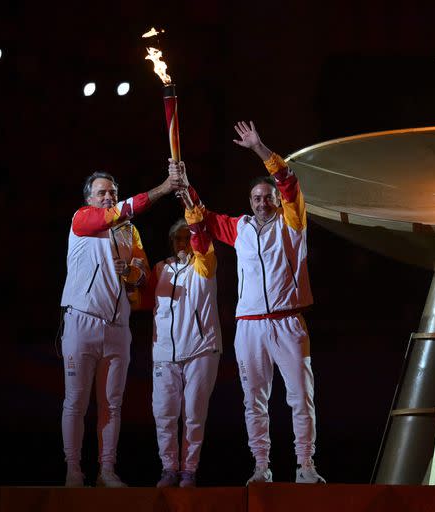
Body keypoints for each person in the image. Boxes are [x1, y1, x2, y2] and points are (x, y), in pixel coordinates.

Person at [170, 121, 325, 484]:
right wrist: (183, 183)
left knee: (301, 397)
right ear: (250, 202)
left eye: (267, 197)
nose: (261, 202)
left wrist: (258, 146)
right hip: (250, 325)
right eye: (256, 198)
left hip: (288, 322)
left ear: (276, 200)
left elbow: (287, 179)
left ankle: (305, 465)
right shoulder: (239, 228)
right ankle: (261, 466)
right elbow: (203, 216)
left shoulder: (292, 223)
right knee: (253, 401)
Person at [60, 170, 183, 487]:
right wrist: (162, 189)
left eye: (112, 192)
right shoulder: (83, 219)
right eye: (101, 192)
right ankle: (74, 470)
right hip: (81, 320)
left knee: (112, 404)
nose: (107, 197)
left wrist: (130, 271)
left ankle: (107, 471)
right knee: (76, 400)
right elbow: (123, 210)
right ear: (89, 198)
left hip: (117, 326)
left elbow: (144, 277)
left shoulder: (130, 232)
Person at [145, 206, 222, 488]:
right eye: (177, 239)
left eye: (186, 237)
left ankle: (189, 470)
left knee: (193, 414)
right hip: (164, 353)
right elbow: (141, 301)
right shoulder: (160, 269)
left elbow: (202, 244)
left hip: (200, 351)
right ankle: (168, 468)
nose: (182, 243)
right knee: (163, 413)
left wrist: (193, 214)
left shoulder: (204, 264)